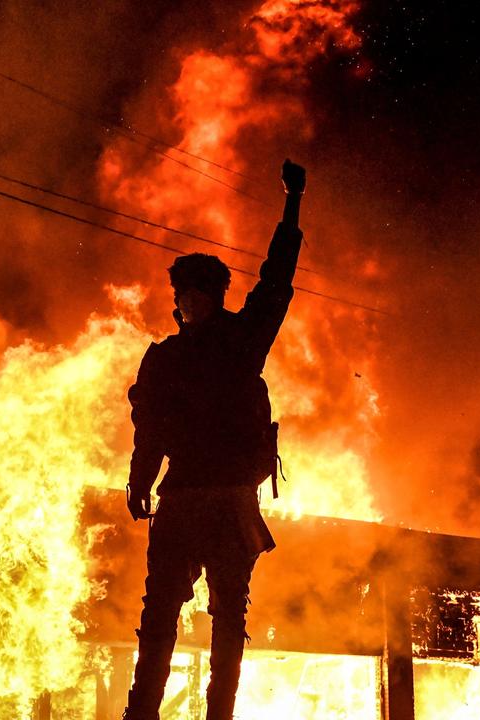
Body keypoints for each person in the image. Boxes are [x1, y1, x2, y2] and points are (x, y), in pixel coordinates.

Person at [123, 160, 306, 720]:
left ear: (216, 296)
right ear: (176, 299)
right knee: (159, 616)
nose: (191, 301)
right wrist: (139, 484)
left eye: (200, 292)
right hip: (181, 499)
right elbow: (150, 427)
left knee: (229, 616)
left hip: (229, 499)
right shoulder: (165, 358)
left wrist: (291, 204)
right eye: (185, 293)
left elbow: (276, 281)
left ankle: (218, 716)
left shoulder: (243, 340)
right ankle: (141, 714)